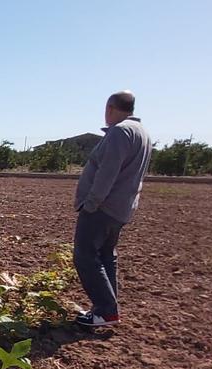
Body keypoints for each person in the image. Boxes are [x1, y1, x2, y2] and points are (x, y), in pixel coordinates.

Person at [72, 90, 151, 327]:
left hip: (103, 207)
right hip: (121, 207)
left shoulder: (120, 132)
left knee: (85, 256)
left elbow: (108, 171)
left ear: (110, 108)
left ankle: (106, 310)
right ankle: (108, 309)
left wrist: (91, 203)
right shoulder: (142, 133)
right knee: (106, 256)